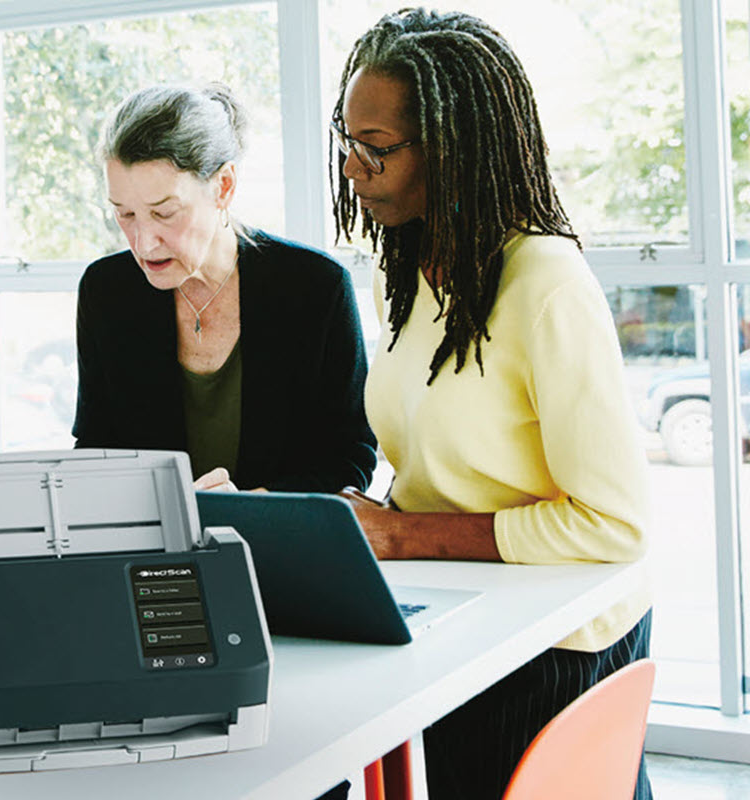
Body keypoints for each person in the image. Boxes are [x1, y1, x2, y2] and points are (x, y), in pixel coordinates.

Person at [330, 9, 652, 800]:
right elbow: (445, 463)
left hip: (556, 643)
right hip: (461, 614)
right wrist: (354, 529)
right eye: (347, 139)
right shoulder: (402, 274)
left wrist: (405, 536)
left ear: (453, 149)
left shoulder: (545, 283)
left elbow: (615, 526)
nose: (351, 168)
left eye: (376, 148)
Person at [73, 84, 376, 493]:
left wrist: (260, 509)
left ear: (224, 187)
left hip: (283, 547)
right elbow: (95, 452)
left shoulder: (316, 288)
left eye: (164, 213)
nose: (143, 243)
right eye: (124, 214)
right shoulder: (105, 292)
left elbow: (349, 456)